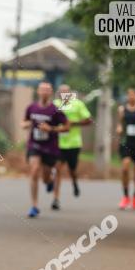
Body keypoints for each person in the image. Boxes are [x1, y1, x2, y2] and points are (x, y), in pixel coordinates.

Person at [23, 81, 70, 218]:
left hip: (50, 148)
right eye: (42, 89)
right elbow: (23, 121)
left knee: (45, 178)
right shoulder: (31, 108)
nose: (44, 92)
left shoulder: (56, 110)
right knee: (34, 171)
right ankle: (34, 206)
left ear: (51, 93)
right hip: (34, 145)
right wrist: (26, 124)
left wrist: (51, 129)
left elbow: (67, 126)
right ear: (38, 91)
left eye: (47, 90)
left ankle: (50, 181)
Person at [52, 84, 92, 209]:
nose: (64, 94)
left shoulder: (78, 104)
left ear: (70, 93)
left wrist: (74, 123)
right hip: (59, 143)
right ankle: (56, 199)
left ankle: (74, 182)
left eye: (66, 92)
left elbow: (89, 120)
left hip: (74, 143)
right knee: (57, 168)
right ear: (58, 93)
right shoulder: (54, 104)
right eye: (61, 92)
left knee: (72, 170)